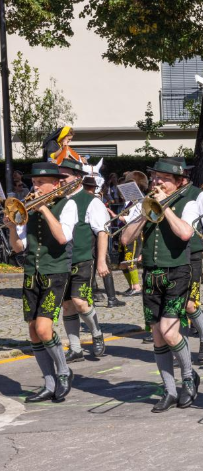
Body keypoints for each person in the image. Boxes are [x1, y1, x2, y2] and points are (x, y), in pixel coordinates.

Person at [120, 159, 200, 413]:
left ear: (179, 182)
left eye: (164, 178)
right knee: (157, 335)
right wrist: (144, 213)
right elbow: (125, 238)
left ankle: (188, 377)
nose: (158, 182)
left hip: (177, 272)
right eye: (156, 177)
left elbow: (185, 234)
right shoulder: (144, 203)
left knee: (169, 331)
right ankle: (169, 390)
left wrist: (164, 206)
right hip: (151, 274)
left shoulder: (188, 202)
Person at [7, 162, 78, 403]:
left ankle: (64, 372)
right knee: (33, 331)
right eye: (34, 183)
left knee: (44, 329)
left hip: (55, 273)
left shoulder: (68, 205)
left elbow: (62, 237)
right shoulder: (27, 208)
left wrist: (44, 208)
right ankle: (49, 383)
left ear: (55, 184)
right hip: (32, 273)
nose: (34, 187)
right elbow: (19, 247)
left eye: (40, 183)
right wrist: (12, 228)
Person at [57, 159, 110, 362]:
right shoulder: (56, 199)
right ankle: (75, 348)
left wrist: (101, 260)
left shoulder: (91, 201)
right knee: (67, 304)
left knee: (80, 302)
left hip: (82, 258)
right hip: (60, 260)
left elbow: (102, 232)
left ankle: (96, 332)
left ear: (78, 178)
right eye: (59, 176)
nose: (61, 180)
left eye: (65, 176)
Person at [169, 158, 203, 365]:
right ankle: (183, 351)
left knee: (189, 304)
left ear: (183, 177)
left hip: (193, 253)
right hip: (170, 254)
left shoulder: (199, 195)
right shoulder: (165, 195)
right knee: (177, 305)